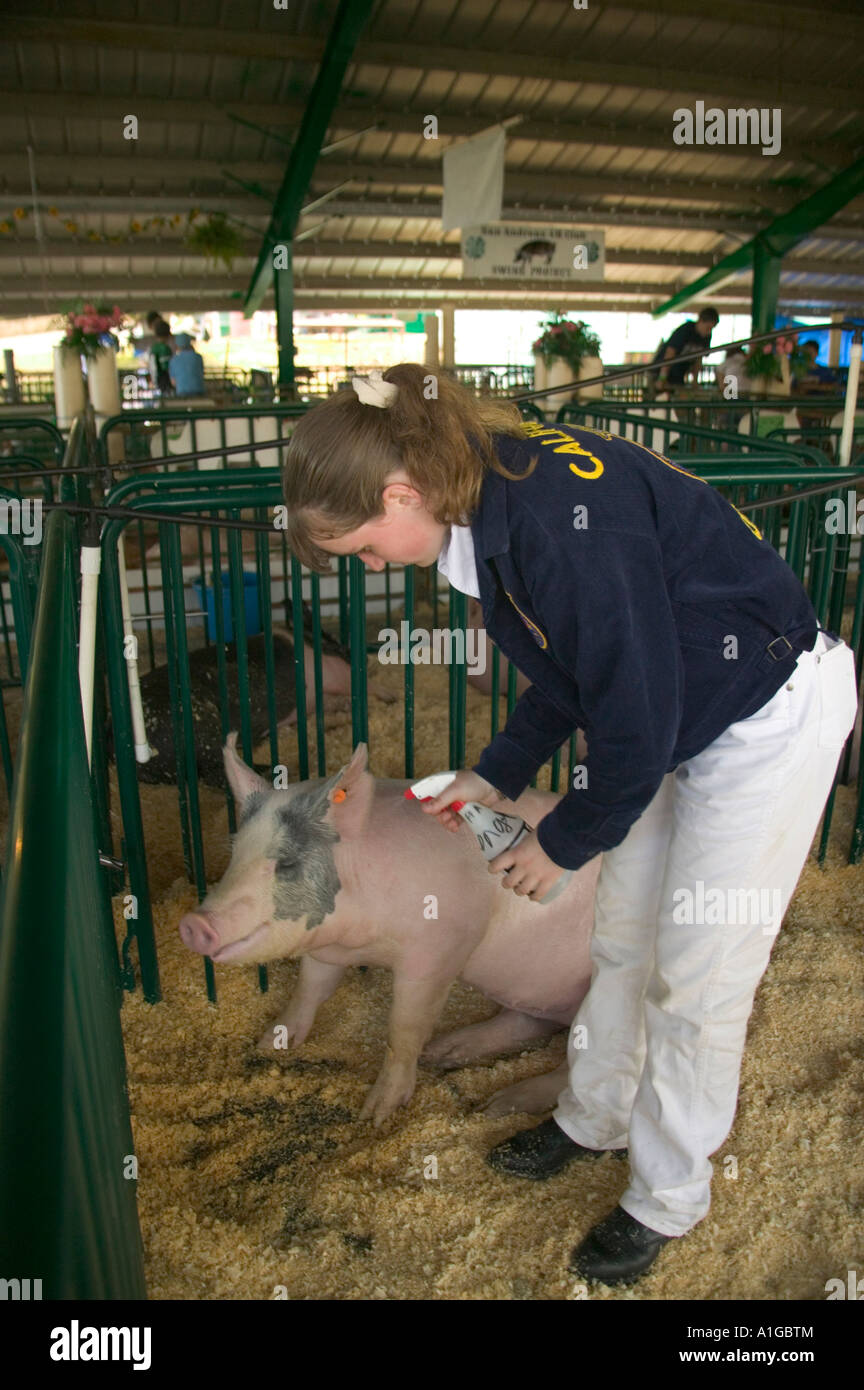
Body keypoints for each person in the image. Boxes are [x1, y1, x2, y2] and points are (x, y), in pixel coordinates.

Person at [278, 363, 859, 1286]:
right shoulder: (492, 495)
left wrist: (561, 841)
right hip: (674, 716)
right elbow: (577, 672)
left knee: (699, 975)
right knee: (624, 936)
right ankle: (595, 1117)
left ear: (400, 491)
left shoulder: (549, 522)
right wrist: (495, 773)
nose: (375, 566)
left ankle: (667, 1198)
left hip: (759, 719)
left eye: (363, 547)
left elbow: (634, 707)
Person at [650, 307, 719, 392]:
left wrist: (695, 381)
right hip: (661, 372)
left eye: (711, 329)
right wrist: (662, 378)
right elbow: (670, 352)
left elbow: (698, 358)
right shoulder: (685, 330)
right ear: (701, 321)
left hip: (678, 374)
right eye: (708, 328)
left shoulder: (706, 337)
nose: (709, 331)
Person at [168, 331, 206, 397]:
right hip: (199, 392)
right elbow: (202, 374)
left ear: (177, 345)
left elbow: (173, 382)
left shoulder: (174, 360)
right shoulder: (198, 357)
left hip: (182, 393)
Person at [149, 319, 174, 394]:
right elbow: (166, 367)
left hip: (156, 380)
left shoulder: (153, 348)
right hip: (165, 382)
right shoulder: (165, 348)